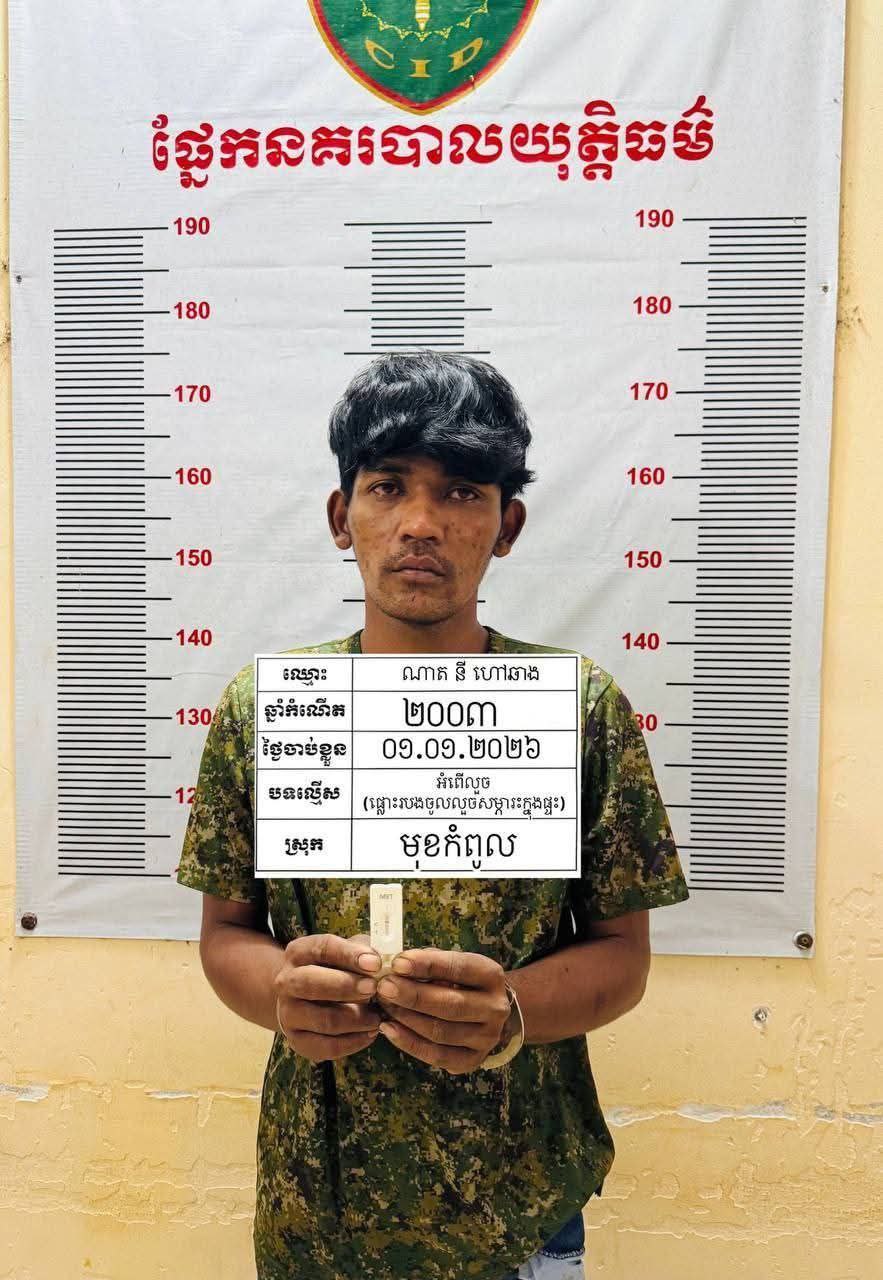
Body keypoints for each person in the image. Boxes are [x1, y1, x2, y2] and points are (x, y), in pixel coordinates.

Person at [175, 350, 690, 1280]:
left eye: (460, 492)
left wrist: (512, 1012)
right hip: (318, 1206)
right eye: (387, 487)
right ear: (342, 516)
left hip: (520, 1208)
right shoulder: (269, 710)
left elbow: (622, 956)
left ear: (506, 525)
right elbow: (226, 935)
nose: (420, 524)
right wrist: (280, 991)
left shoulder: (577, 710)